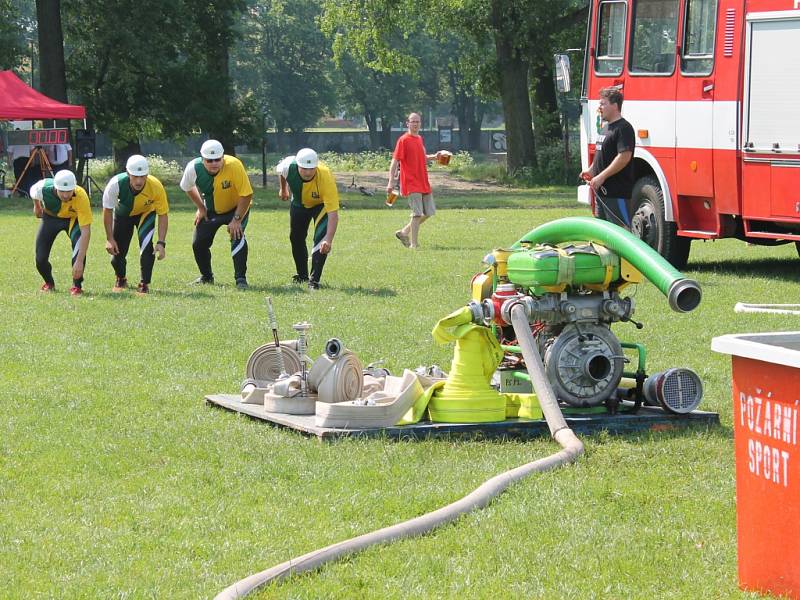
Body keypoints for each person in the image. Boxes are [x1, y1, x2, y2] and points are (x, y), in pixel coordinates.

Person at [180, 139, 254, 289]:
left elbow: (246, 195)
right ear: (202, 159)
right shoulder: (193, 167)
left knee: (237, 236)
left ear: (222, 157)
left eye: (217, 159)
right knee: (198, 243)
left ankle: (241, 280)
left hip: (237, 208)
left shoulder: (234, 165)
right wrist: (201, 208)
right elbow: (187, 187)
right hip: (211, 210)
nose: (214, 163)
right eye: (209, 160)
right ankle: (206, 277)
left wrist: (237, 220)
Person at [102, 155, 169, 294]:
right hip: (123, 216)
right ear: (127, 173)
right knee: (116, 254)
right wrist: (109, 238)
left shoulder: (156, 186)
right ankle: (121, 278)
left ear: (147, 174)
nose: (139, 181)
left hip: (146, 214)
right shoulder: (115, 184)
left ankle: (144, 283)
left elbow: (163, 214)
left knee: (146, 247)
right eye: (134, 176)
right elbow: (107, 211)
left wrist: (161, 242)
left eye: (143, 176)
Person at [277, 148, 339, 290]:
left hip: (320, 205)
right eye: (304, 168)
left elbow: (333, 214)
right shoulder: (287, 166)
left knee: (321, 240)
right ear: (298, 165)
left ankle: (314, 281)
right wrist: (284, 188)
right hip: (299, 203)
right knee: (296, 238)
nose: (308, 172)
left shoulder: (326, 178)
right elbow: (280, 172)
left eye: (311, 169)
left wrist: (328, 240)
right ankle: (302, 275)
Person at [29, 170, 92, 296]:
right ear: (55, 187)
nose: (65, 195)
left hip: (72, 220)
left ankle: (77, 285)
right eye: (61, 191)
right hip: (50, 218)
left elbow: (86, 231)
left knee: (78, 250)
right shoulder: (43, 188)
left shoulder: (81, 196)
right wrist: (37, 206)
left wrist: (79, 261)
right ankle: (49, 283)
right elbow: (33, 193)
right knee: (40, 259)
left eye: (69, 191)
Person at [580, 87, 636, 227]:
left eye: (603, 103)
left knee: (621, 232)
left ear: (615, 105)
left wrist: (602, 176)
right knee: (603, 234)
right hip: (602, 193)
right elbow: (602, 155)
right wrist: (592, 171)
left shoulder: (624, 128)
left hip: (617, 193)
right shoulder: (605, 128)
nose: (599, 107)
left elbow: (624, 157)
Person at [386, 112, 443, 249]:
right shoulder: (403, 140)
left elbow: (422, 157)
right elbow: (394, 162)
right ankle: (414, 245)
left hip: (423, 180)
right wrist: (390, 182)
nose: (415, 124)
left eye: (417, 121)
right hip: (411, 182)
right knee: (417, 213)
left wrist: (434, 157)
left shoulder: (419, 139)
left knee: (429, 212)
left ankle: (404, 232)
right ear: (407, 123)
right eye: (413, 121)